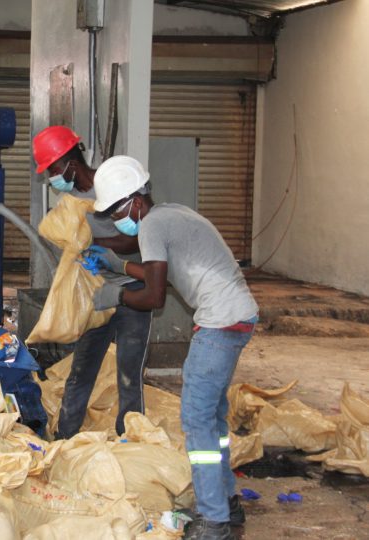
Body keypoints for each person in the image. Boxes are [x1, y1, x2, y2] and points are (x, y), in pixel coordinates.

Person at [90, 155, 259, 540]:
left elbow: (153, 296)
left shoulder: (152, 225)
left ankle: (214, 521)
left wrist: (115, 293)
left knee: (197, 420)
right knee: (213, 418)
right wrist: (116, 261)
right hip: (237, 315)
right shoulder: (169, 215)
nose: (116, 218)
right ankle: (227, 503)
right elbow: (152, 266)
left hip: (219, 322)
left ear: (135, 201)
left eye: (116, 210)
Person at [31, 126, 153, 438]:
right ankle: (65, 438)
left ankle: (130, 439)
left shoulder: (116, 183)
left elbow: (144, 235)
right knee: (82, 368)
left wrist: (106, 252)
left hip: (131, 289)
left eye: (54, 170)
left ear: (70, 162)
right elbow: (70, 242)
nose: (52, 178)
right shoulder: (69, 202)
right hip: (96, 294)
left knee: (129, 372)